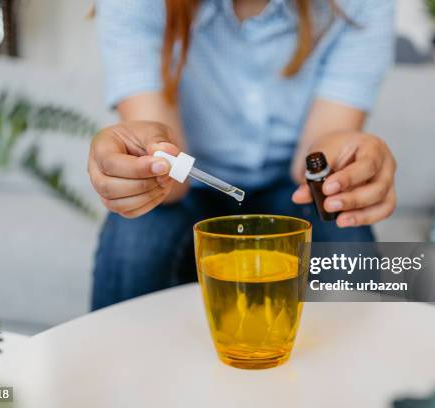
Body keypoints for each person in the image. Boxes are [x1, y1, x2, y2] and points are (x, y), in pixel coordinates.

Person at [89, 0, 397, 310]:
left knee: (342, 229)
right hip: (190, 193)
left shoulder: (359, 5)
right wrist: (144, 166)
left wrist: (341, 166)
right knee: (136, 237)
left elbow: (317, 153)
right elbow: (171, 176)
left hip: (290, 188)